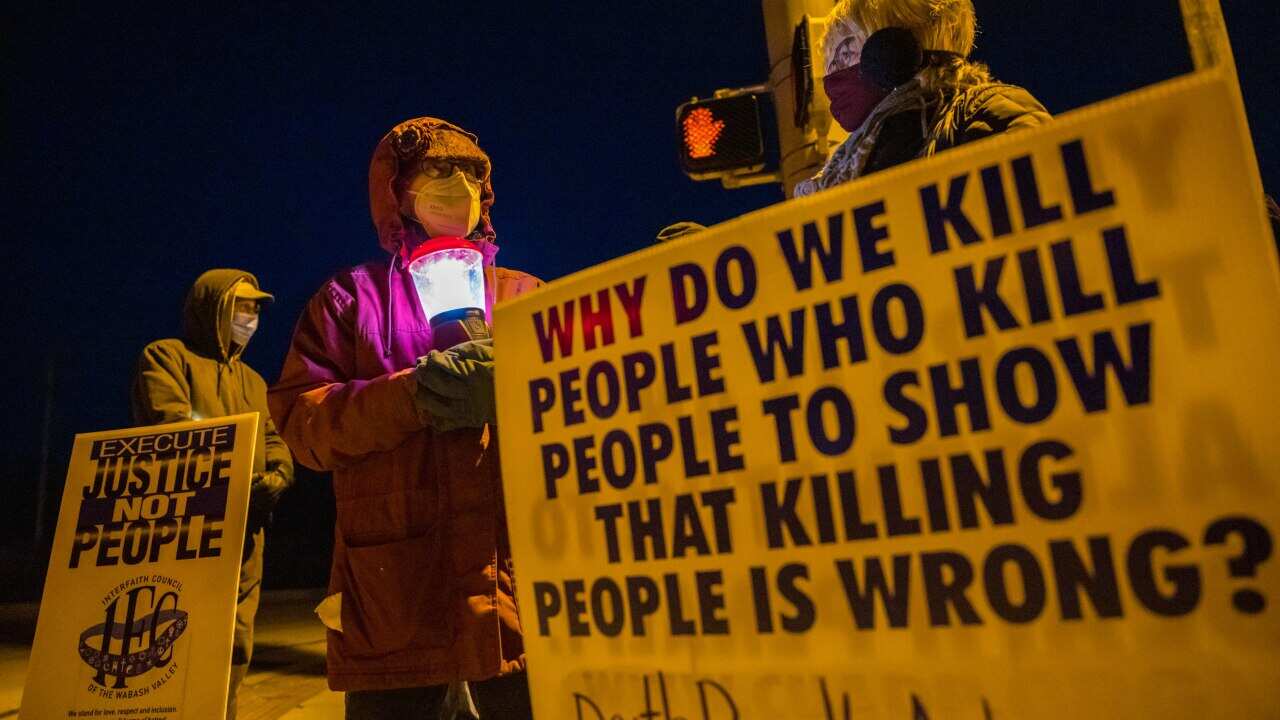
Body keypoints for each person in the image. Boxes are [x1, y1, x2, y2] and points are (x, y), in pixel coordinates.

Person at [268, 116, 542, 719]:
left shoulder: (526, 295)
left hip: (514, 599)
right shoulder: (349, 300)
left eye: (473, 175)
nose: (460, 189)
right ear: (397, 189)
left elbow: (593, 403)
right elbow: (304, 425)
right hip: (394, 598)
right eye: (440, 171)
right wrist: (411, 396)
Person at [131, 269, 295, 720]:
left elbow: (275, 437)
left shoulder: (254, 381)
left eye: (257, 308)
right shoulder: (167, 356)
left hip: (245, 531)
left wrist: (281, 472)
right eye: (242, 305)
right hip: (186, 526)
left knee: (235, 640)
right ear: (212, 308)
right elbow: (171, 424)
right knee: (174, 635)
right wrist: (238, 466)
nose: (252, 316)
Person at [795, 0, 1050, 197]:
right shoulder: (843, 168)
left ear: (893, 49)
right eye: (830, 65)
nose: (832, 78)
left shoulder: (986, 112)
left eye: (844, 54)